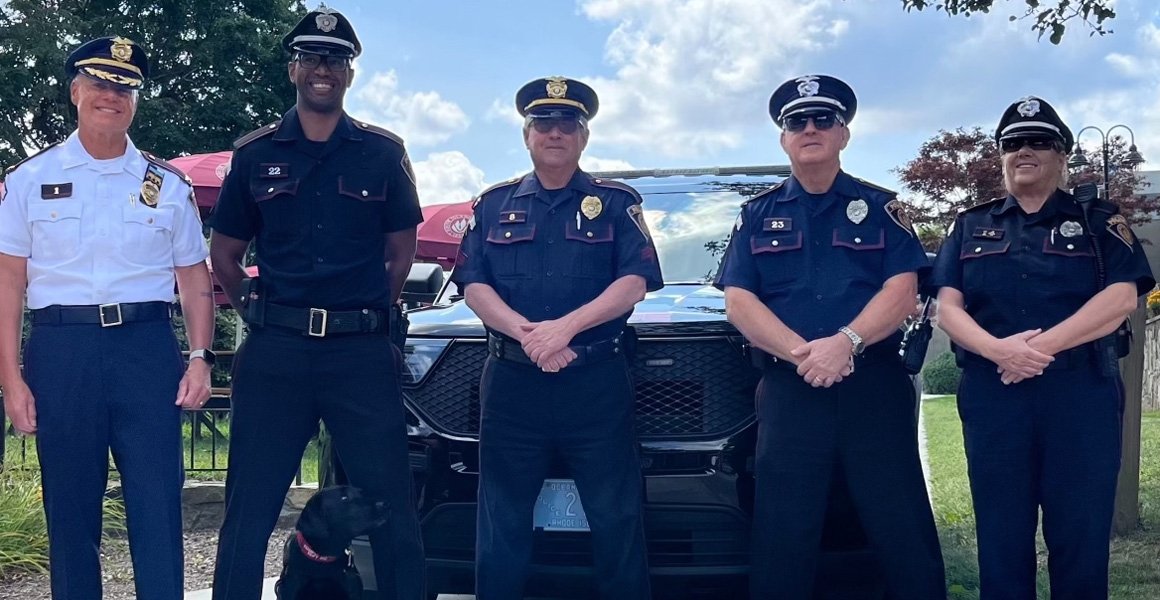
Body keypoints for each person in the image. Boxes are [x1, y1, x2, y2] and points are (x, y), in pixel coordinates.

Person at [207, 7, 425, 600]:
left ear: (349, 73)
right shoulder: (254, 155)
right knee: (247, 512)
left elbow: (399, 253)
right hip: (276, 353)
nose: (323, 68)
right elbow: (224, 254)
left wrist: (368, 315)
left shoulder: (382, 153)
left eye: (335, 59)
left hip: (359, 355)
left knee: (392, 511)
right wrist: (253, 306)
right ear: (294, 69)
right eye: (311, 57)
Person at [714, 74, 946, 598]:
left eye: (824, 119)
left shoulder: (883, 209)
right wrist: (806, 356)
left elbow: (902, 289)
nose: (810, 128)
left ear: (844, 134)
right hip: (792, 389)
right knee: (782, 527)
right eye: (798, 122)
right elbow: (739, 301)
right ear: (784, 138)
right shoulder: (756, 215)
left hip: (872, 385)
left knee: (899, 518)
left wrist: (845, 344)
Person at [0, 36, 214, 600]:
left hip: (145, 349)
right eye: (99, 83)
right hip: (61, 350)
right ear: (76, 91)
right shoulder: (26, 180)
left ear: (136, 101)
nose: (111, 96)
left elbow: (194, 280)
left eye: (124, 87)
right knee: (69, 510)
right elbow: (9, 283)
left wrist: (199, 358)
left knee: (157, 505)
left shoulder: (167, 186)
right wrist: (11, 376)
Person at [928, 96, 1155, 599]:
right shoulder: (970, 224)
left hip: (1080, 395)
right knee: (1001, 532)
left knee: (1080, 531)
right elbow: (947, 308)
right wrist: (999, 352)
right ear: (1001, 155)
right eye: (1013, 143)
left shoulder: (1098, 221)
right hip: (994, 396)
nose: (1024, 150)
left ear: (1062, 156)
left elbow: (1120, 297)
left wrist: (1037, 350)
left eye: (1039, 141)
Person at [451, 76, 662, 599]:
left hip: (595, 385)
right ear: (527, 135)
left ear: (583, 137)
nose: (555, 132)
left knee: (617, 520)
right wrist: (528, 336)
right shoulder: (494, 204)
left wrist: (563, 329)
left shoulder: (616, 203)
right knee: (501, 524)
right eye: (543, 122)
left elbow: (634, 282)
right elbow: (473, 284)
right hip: (512, 386)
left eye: (568, 123)